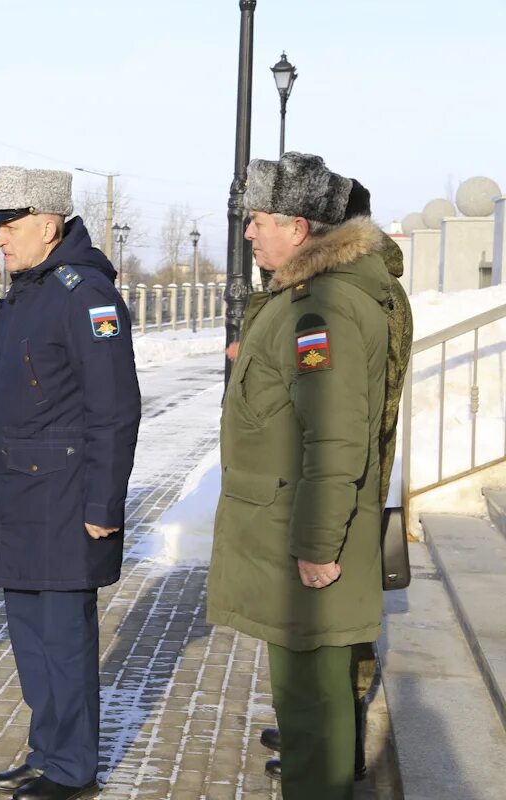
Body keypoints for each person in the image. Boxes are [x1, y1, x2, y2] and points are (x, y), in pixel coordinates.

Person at [207, 152, 395, 800]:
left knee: (312, 719)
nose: (249, 234)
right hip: (291, 537)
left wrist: (316, 545)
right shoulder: (306, 299)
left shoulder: (322, 309)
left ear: (299, 226)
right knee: (313, 716)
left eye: (257, 222)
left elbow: (337, 436)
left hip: (306, 548)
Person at [0, 166, 141, 800]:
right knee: (32, 643)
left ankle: (72, 768)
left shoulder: (85, 294)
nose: (0, 238)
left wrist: (103, 503)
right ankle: (49, 752)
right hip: (19, 495)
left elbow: (115, 408)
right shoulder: (32, 289)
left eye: (8, 226)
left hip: (65, 500)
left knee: (64, 643)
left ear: (47, 222)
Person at [259, 178, 414, 782]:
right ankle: (321, 733)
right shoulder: (364, 288)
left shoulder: (352, 298)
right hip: (349, 470)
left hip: (347, 476)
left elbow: (346, 414)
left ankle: (334, 745)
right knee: (330, 647)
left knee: (339, 642)